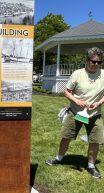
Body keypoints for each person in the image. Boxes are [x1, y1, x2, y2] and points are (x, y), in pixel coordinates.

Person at [46, 47, 104, 179]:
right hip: (75, 112)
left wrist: (99, 103)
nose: (96, 65)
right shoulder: (77, 74)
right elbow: (67, 91)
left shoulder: (103, 75)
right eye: (94, 61)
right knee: (66, 136)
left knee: (96, 140)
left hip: (94, 114)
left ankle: (91, 166)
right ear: (86, 60)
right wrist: (76, 101)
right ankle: (59, 158)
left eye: (99, 62)